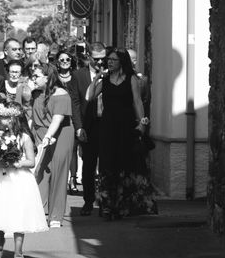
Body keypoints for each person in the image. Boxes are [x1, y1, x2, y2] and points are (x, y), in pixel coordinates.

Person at [85, 48, 155, 219]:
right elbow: (90, 97)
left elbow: (137, 102)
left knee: (124, 163)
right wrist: (96, 79)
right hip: (108, 127)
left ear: (121, 62)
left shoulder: (131, 79)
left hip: (126, 126)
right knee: (108, 164)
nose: (109, 62)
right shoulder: (106, 80)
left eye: (113, 60)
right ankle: (108, 205)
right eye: (108, 59)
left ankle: (123, 205)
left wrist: (142, 123)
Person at [0, 102, 48, 258]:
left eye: (5, 118)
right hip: (1, 178)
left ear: (14, 119)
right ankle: (0, 240)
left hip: (19, 179)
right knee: (0, 209)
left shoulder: (24, 137)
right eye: (1, 117)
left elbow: (31, 161)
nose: (1, 120)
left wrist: (16, 163)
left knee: (18, 212)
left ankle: (19, 250)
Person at [32, 64, 73, 228]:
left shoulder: (62, 95)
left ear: (48, 78)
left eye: (36, 76)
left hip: (59, 135)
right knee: (40, 172)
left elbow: (57, 119)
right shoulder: (36, 93)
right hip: (40, 134)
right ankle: (37, 212)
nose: (33, 78)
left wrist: (48, 136)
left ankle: (55, 215)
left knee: (58, 172)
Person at [69, 42, 106, 216]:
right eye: (97, 59)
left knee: (106, 165)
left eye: (103, 59)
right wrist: (79, 127)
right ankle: (88, 201)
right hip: (88, 126)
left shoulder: (110, 73)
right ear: (89, 57)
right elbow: (75, 102)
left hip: (106, 124)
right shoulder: (78, 75)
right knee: (89, 165)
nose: (100, 63)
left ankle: (105, 201)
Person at [53, 49, 78, 194]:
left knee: (72, 149)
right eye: (61, 60)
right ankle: (59, 179)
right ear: (57, 62)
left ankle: (73, 178)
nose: (65, 62)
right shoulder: (54, 77)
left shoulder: (76, 77)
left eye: (67, 59)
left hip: (72, 118)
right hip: (57, 116)